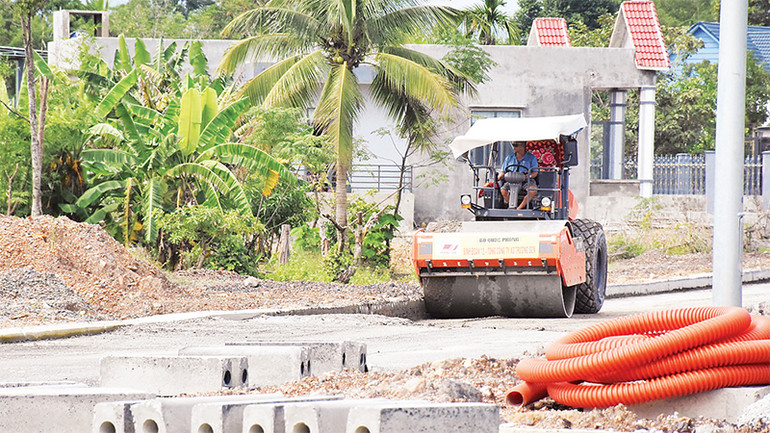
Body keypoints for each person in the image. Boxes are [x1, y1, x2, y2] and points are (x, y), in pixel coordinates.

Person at [498, 141, 538, 209]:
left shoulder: (532, 157)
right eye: (513, 145)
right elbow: (503, 171)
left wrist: (528, 176)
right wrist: (499, 176)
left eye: (516, 145)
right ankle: (510, 206)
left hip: (525, 180)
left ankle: (519, 208)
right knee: (503, 190)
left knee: (532, 190)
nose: (514, 147)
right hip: (511, 180)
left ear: (523, 146)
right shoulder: (509, 157)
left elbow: (535, 172)